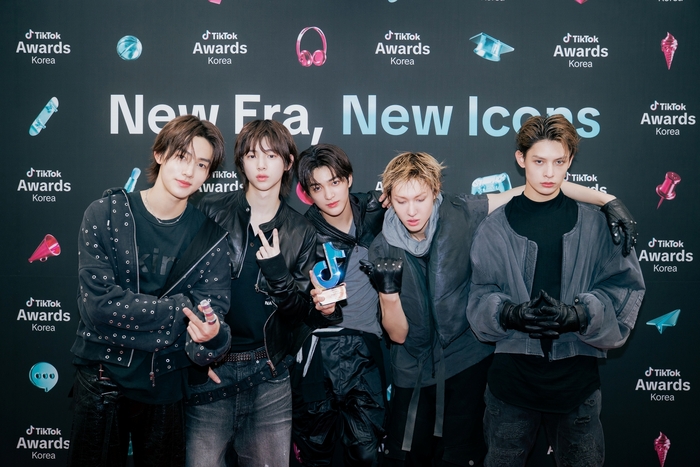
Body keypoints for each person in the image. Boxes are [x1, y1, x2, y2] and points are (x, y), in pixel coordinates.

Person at [361, 150, 637, 467]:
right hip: (413, 371)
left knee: (464, 458)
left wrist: (606, 200)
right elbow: (397, 336)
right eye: (401, 201)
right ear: (389, 199)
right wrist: (388, 294)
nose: (411, 211)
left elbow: (532, 188)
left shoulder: (462, 213)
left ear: (435, 191)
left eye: (420, 199)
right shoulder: (381, 247)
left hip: (466, 362)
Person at [466, 115, 645, 467]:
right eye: (538, 161)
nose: (549, 173)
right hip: (511, 387)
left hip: (577, 388)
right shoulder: (492, 228)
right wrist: (508, 313)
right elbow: (478, 298)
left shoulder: (597, 225)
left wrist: (581, 315)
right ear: (520, 159)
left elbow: (625, 291)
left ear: (570, 161)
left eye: (559, 162)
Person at [67, 115, 231, 467]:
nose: (189, 171)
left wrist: (210, 336)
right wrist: (177, 311)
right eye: (182, 156)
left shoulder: (211, 239)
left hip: (166, 382)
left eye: (202, 164)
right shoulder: (106, 214)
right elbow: (98, 307)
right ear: (160, 154)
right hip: (102, 377)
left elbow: (210, 323)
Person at [185, 120, 336, 467]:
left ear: (288, 161)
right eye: (252, 155)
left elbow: (301, 315)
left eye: (271, 155)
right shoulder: (210, 210)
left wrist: (278, 274)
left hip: (269, 374)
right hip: (212, 367)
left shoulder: (301, 230)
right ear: (241, 162)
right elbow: (184, 288)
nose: (262, 165)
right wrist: (195, 358)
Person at [291, 144, 387, 466]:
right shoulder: (302, 234)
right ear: (307, 193)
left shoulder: (375, 210)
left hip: (366, 348)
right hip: (317, 351)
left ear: (348, 179)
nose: (329, 194)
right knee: (317, 453)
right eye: (317, 187)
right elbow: (291, 306)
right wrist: (320, 310)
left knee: (367, 452)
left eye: (334, 182)